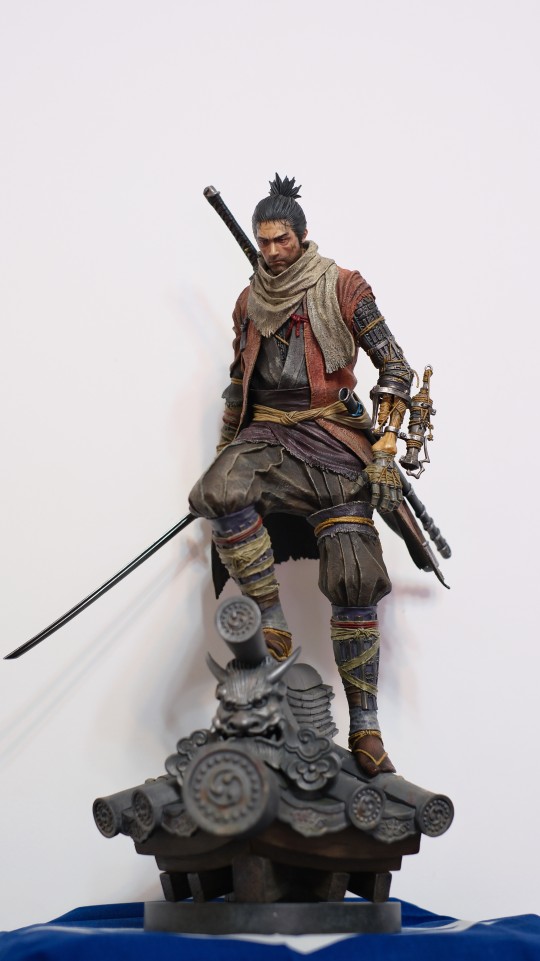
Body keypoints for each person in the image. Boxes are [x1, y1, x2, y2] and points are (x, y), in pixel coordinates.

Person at [189, 174, 417, 778]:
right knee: (215, 492)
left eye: (281, 240)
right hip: (267, 437)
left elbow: (396, 368)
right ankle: (273, 624)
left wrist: (385, 449)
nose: (270, 251)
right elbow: (239, 384)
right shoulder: (249, 301)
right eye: (263, 241)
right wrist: (223, 449)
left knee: (354, 576)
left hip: (334, 440)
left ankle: (366, 726)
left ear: (302, 235)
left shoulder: (343, 287)